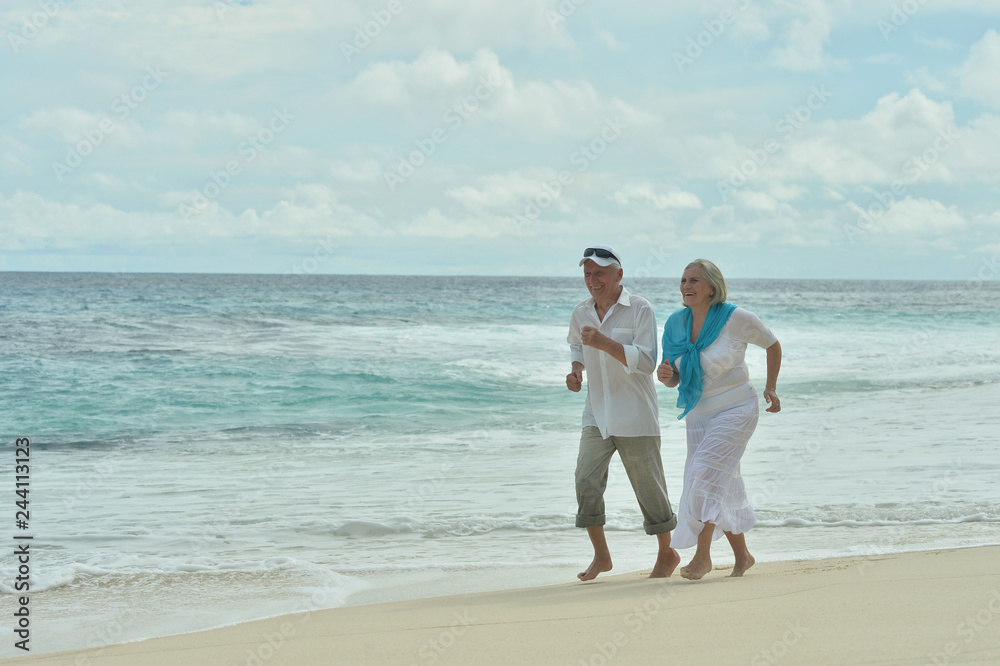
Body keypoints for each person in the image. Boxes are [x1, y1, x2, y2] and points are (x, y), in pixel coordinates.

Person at [657, 259, 781, 580]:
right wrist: (666, 375)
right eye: (683, 280)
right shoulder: (674, 325)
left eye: (694, 280)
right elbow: (673, 377)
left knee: (702, 475)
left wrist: (771, 387)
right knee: (718, 482)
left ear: (712, 287)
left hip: (737, 409)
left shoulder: (735, 318)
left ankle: (702, 556)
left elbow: (772, 344)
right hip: (698, 415)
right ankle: (743, 556)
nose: (686, 286)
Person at [566, 245, 679, 581]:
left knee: (649, 489)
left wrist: (603, 343)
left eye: (599, 273)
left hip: (636, 415)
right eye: (587, 274)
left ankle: (667, 553)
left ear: (618, 275)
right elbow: (576, 345)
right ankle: (602, 556)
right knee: (585, 481)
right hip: (596, 414)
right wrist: (576, 371)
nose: (592, 280)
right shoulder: (581, 311)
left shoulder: (640, 309)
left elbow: (646, 362)